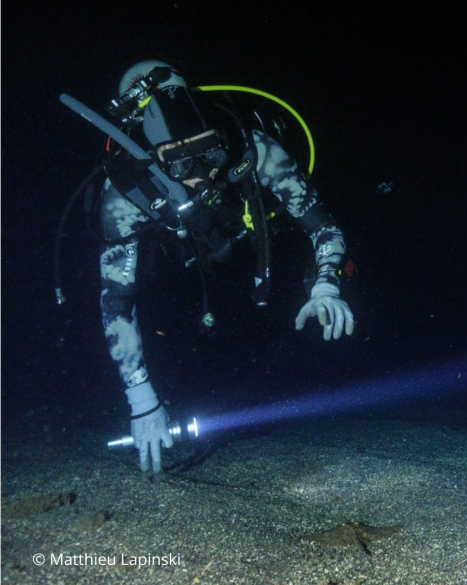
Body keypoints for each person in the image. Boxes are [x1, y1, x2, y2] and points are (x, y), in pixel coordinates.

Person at [96, 61, 354, 473]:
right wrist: (141, 398)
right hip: (178, 268)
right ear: (154, 158)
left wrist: (325, 285)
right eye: (181, 164)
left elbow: (323, 227)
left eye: (211, 154)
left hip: (251, 254)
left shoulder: (256, 150)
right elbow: (117, 301)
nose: (203, 175)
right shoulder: (124, 195)